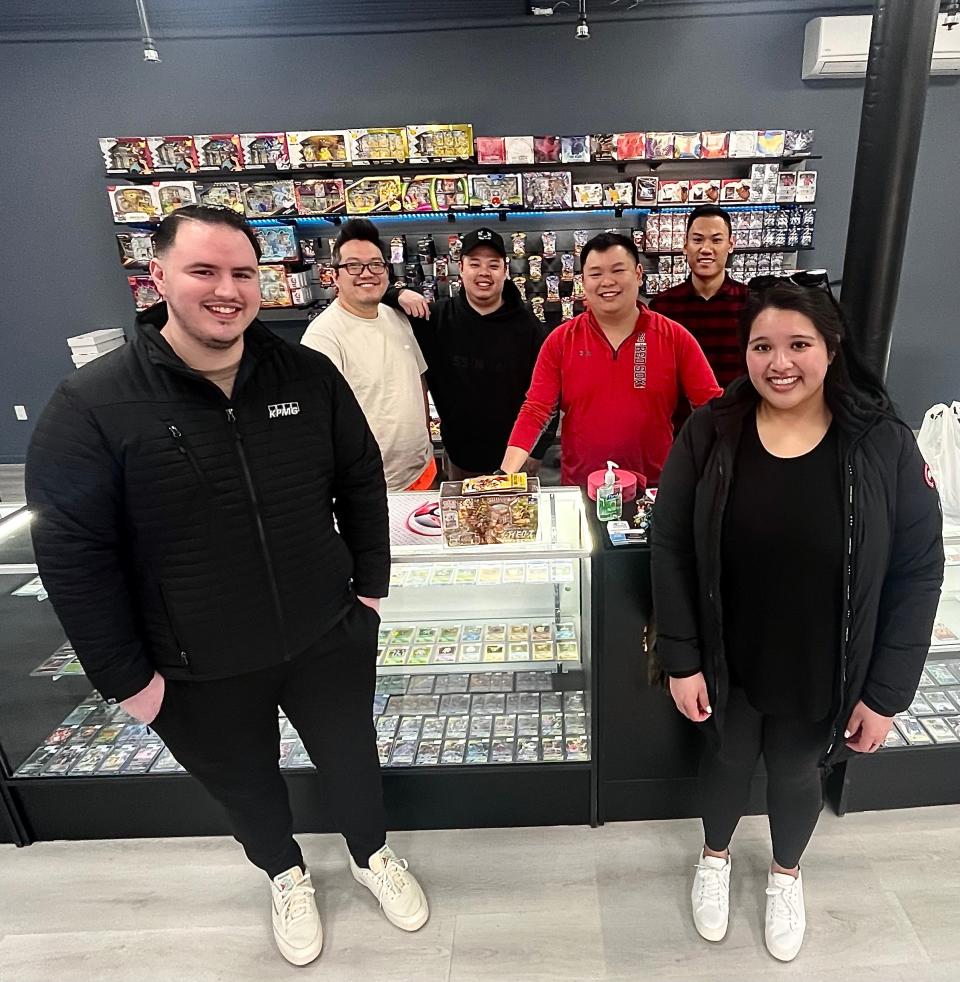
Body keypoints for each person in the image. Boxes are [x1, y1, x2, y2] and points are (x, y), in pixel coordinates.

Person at [25, 205, 428, 968]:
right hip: (192, 663)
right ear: (159, 278)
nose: (226, 289)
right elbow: (74, 554)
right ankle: (284, 873)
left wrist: (368, 592)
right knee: (247, 788)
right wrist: (126, 681)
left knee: (353, 760)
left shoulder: (305, 373)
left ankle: (373, 856)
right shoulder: (93, 405)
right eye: (204, 271)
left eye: (242, 272)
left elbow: (358, 480)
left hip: (325, 633)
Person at [651, 281, 943, 962]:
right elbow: (668, 545)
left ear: (831, 349)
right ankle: (715, 858)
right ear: (745, 353)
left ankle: (786, 876)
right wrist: (681, 656)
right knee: (724, 758)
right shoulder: (712, 429)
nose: (780, 363)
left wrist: (887, 693)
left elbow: (918, 569)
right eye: (762, 347)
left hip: (826, 661)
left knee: (794, 771)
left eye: (798, 345)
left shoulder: (881, 442)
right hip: (730, 654)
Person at [500, 231, 722, 487]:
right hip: (581, 488)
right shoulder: (561, 341)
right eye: (595, 274)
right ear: (583, 280)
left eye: (618, 270)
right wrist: (505, 475)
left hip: (655, 489)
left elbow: (711, 408)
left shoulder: (674, 337)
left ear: (638, 274)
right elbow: (536, 410)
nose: (607, 282)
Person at [390, 227, 556, 480]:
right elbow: (364, 295)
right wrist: (397, 293)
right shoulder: (433, 319)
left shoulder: (530, 328)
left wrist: (537, 452)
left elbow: (550, 397)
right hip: (459, 461)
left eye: (493, 265)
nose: (484, 273)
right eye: (475, 263)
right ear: (461, 268)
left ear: (505, 269)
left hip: (516, 463)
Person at [301, 218, 435, 491]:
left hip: (423, 472)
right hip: (370, 489)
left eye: (376, 264)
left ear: (386, 271)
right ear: (335, 275)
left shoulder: (397, 317)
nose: (366, 273)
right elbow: (315, 425)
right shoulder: (322, 338)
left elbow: (417, 378)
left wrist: (426, 438)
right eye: (353, 265)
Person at [649, 204, 749, 389]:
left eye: (716, 240)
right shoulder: (662, 306)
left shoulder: (750, 303)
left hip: (737, 412)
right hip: (682, 416)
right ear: (685, 246)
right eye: (697, 240)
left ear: (731, 245)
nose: (706, 249)